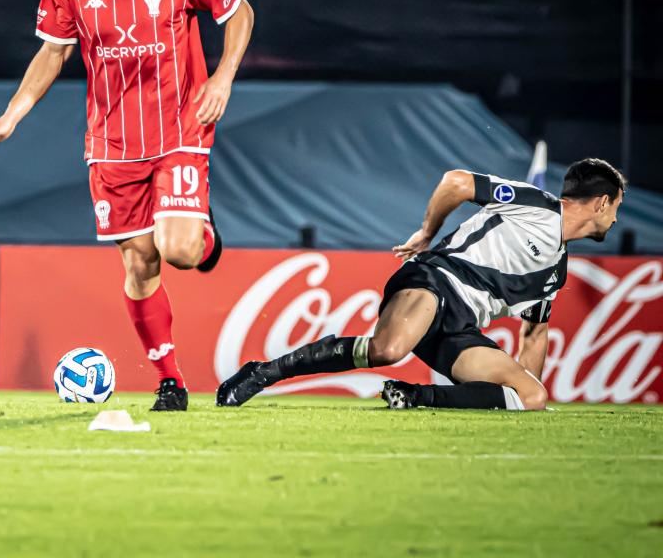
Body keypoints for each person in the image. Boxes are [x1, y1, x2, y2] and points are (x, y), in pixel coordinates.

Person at [0, 0, 254, 411]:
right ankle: (171, 380)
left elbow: (239, 13)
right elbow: (53, 53)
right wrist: (12, 115)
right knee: (140, 264)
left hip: (179, 130)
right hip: (112, 144)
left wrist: (223, 77)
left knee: (179, 251)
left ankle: (204, 238)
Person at [217, 158, 625, 411]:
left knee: (533, 398)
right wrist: (428, 232)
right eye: (617, 208)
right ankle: (265, 372)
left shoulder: (556, 272)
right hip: (435, 280)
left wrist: (519, 391)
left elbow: (534, 335)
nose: (617, 219)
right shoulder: (534, 204)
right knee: (388, 350)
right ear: (602, 202)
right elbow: (457, 182)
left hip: (459, 327)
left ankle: (413, 397)